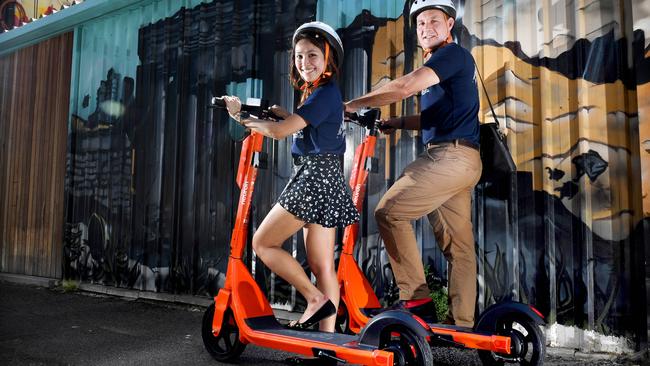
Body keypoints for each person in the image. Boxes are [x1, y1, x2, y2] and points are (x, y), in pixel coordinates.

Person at [345, 0, 481, 328]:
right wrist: (397, 124)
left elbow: (404, 86)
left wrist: (350, 104)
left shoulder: (450, 55)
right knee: (459, 247)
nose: (426, 28)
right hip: (462, 160)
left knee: (389, 212)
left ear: (450, 25)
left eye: (434, 20)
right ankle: (461, 326)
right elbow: (436, 117)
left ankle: (416, 300)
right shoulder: (444, 66)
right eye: (420, 24)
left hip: (447, 158)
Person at [222, 21, 358, 333]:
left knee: (263, 243)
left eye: (312, 56)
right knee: (323, 266)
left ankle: (312, 298)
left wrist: (241, 115)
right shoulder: (322, 94)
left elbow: (282, 132)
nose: (304, 63)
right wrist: (283, 114)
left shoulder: (323, 94)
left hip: (313, 178)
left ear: (328, 58)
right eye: (299, 57)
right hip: (329, 178)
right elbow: (304, 125)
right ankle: (327, 341)